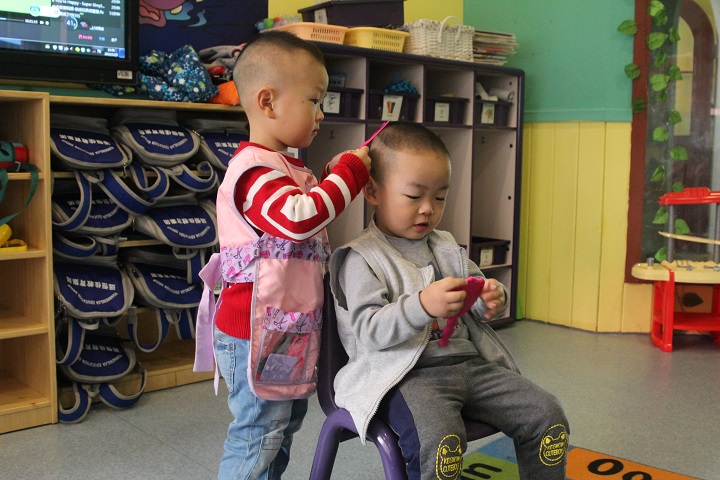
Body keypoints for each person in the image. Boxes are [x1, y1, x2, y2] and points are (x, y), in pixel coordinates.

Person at [329, 122, 569, 480]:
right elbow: (369, 331)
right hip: (405, 378)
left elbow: (477, 301)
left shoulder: (445, 246)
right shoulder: (362, 258)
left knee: (548, 417)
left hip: (471, 367)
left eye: (440, 197)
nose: (428, 208)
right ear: (373, 191)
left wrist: (490, 297)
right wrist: (422, 306)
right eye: (414, 196)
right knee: (442, 443)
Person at [194, 30, 371, 480]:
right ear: (268, 102)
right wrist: (349, 175)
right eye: (314, 100)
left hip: (283, 328)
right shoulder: (253, 170)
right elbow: (297, 219)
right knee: (258, 434)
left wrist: (329, 175)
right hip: (251, 330)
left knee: (282, 429)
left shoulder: (286, 167)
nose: (321, 113)